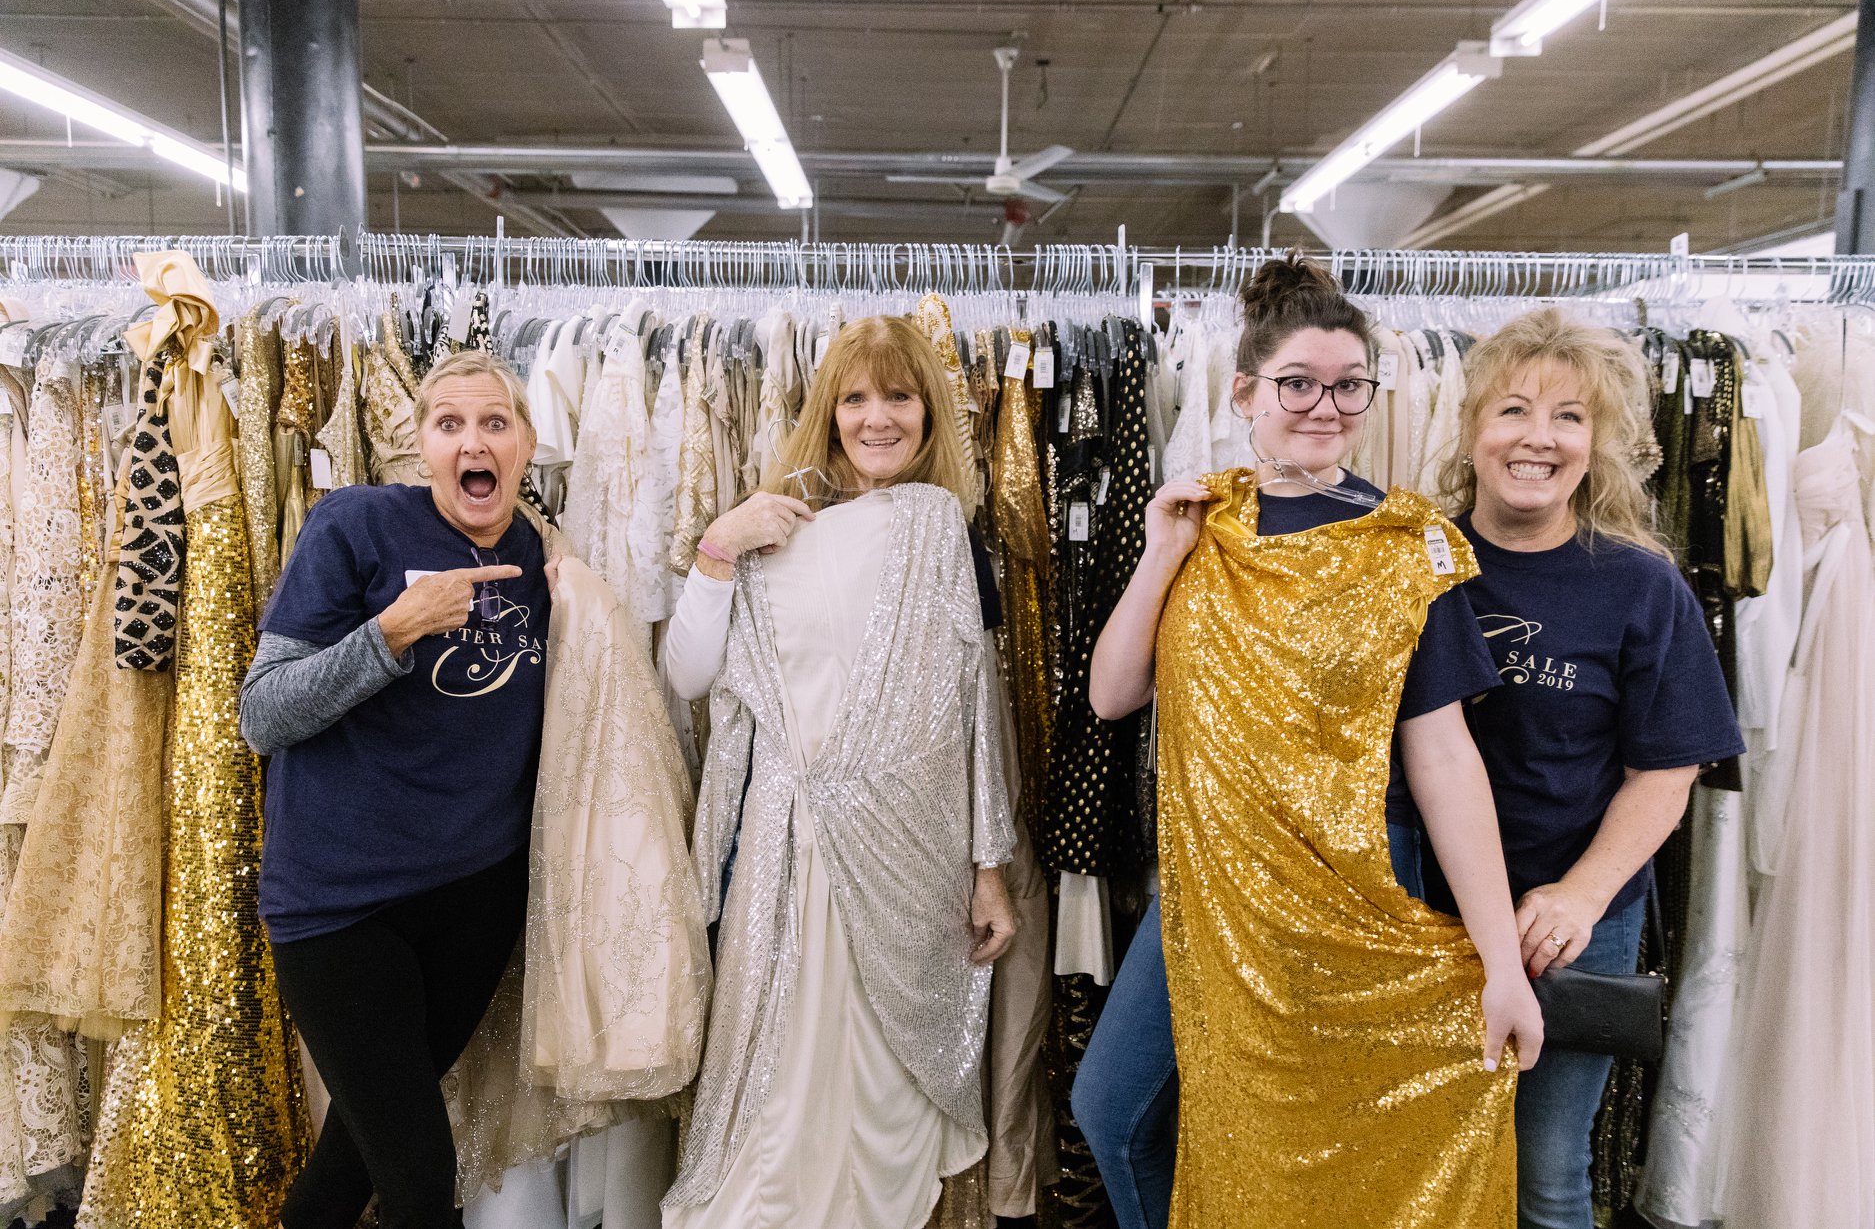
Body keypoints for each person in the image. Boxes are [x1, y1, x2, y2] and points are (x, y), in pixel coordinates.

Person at [1079, 256, 1543, 1229]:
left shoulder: (1401, 545)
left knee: (1321, 1151)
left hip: (1350, 882)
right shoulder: (1199, 522)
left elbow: (1445, 757)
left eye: (1347, 385)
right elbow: (1113, 694)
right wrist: (1161, 553)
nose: (1323, 407)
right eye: (1297, 383)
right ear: (1245, 390)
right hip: (1209, 884)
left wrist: (1501, 964)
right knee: (1112, 1111)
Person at [658, 316, 1020, 1229]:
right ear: (827, 411)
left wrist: (988, 869)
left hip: (913, 855)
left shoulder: (941, 529)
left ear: (929, 413)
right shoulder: (770, 527)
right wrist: (718, 546)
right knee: (774, 1092)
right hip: (788, 849)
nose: (876, 418)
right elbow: (689, 677)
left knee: (884, 1087)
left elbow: (974, 712)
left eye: (898, 396)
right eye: (854, 398)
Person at [1428, 308, 1744, 1229]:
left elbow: (1667, 771)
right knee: (1423, 1157)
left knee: (1547, 1169)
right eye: (1513, 410)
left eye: (1568, 417)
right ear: (1471, 429)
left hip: (1572, 924)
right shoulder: (1416, 564)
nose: (1539, 438)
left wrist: (1579, 897)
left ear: (1595, 444)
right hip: (1423, 911)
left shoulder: (1641, 585)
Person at [240, 349, 552, 1229]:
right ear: (422, 445)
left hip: (473, 899)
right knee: (419, 1182)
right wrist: (390, 632)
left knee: (352, 1163)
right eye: (449, 424)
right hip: (340, 906)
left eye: (494, 422)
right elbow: (263, 714)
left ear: (526, 445)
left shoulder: (538, 552)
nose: (473, 442)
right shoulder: (356, 524)